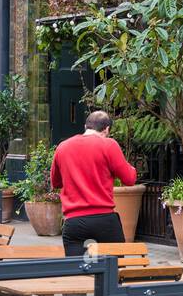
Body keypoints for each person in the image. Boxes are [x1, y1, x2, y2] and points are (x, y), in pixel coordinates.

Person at [50, 110, 137, 257]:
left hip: (74, 222)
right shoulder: (109, 145)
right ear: (107, 129)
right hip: (104, 220)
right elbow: (129, 179)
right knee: (114, 270)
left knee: (76, 271)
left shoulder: (62, 147)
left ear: (85, 126)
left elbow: (56, 182)